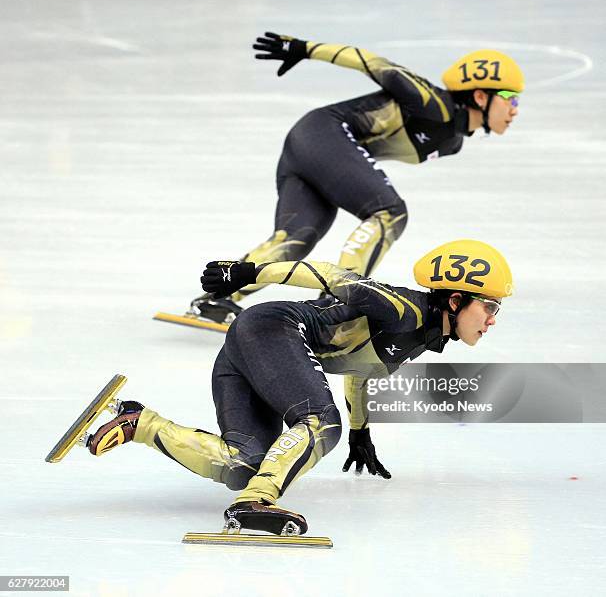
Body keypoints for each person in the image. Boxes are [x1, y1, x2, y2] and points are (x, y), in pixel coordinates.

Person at [88, 239, 513, 535]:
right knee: (321, 423)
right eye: (489, 307)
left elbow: (359, 371)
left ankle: (139, 423)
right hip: (275, 329)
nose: (492, 319)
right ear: (456, 300)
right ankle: (255, 504)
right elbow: (331, 274)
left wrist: (361, 432)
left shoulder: (421, 335)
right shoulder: (403, 310)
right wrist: (250, 272)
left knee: (244, 466)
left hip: (251, 347)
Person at [189, 32, 523, 326]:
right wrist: (305, 48)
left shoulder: (452, 142)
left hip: (313, 148)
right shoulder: (434, 104)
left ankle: (218, 297)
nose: (515, 110)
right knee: (390, 212)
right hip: (323, 136)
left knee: (298, 236)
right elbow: (374, 62)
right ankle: (339, 295)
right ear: (480, 95)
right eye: (511, 99)